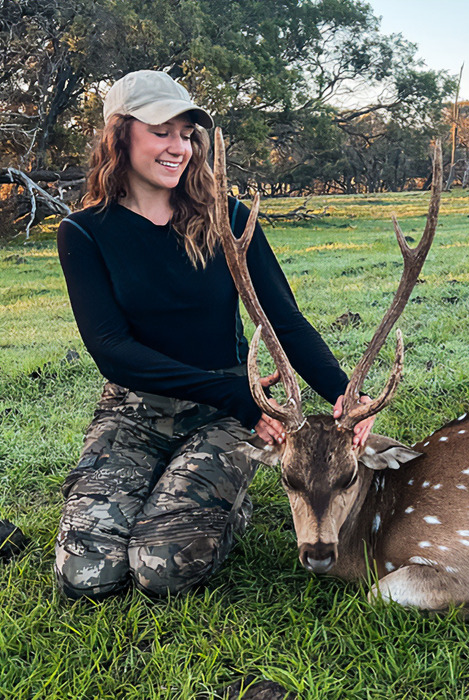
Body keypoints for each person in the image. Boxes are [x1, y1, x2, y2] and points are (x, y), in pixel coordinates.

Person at [54, 70, 373, 601]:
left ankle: (227, 504)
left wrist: (344, 393)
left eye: (186, 134)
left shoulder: (229, 217)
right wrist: (238, 398)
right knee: (87, 576)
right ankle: (175, 492)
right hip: (135, 412)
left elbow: (285, 322)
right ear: (119, 135)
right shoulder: (84, 232)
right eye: (162, 132)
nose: (177, 147)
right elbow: (113, 351)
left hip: (225, 415)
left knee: (160, 570)